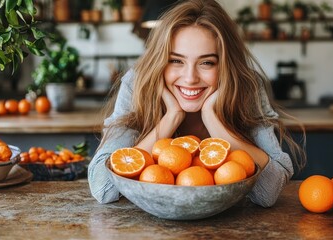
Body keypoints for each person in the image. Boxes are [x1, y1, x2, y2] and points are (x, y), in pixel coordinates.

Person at [88, 0, 306, 207]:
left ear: (225, 67)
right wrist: (171, 118)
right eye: (176, 61)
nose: (190, 77)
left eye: (207, 62)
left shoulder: (247, 86)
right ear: (160, 61)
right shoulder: (138, 83)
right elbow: (104, 188)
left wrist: (213, 120)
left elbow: (267, 193)